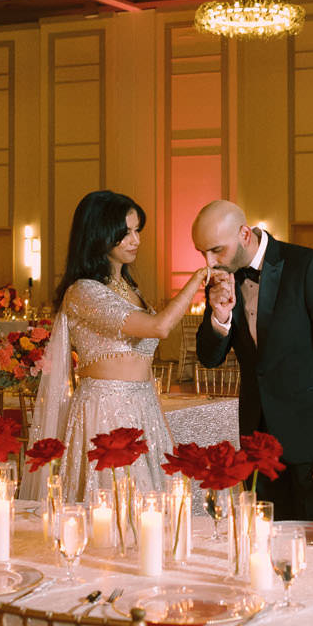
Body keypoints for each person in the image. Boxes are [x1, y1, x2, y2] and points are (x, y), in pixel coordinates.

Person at [28, 190, 208, 500]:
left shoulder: (131, 289)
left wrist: (159, 421)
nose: (135, 240)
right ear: (99, 235)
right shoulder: (84, 292)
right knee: (112, 507)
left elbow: (144, 364)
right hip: (105, 411)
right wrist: (195, 282)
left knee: (152, 509)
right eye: (124, 233)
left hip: (144, 409)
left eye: (137, 230)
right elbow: (159, 327)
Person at [192, 200, 313, 521]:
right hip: (256, 440)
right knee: (261, 541)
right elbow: (209, 358)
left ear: (244, 234)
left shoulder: (309, 266)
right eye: (201, 253)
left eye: (216, 250)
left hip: (312, 439)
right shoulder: (223, 278)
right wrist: (220, 315)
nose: (208, 262)